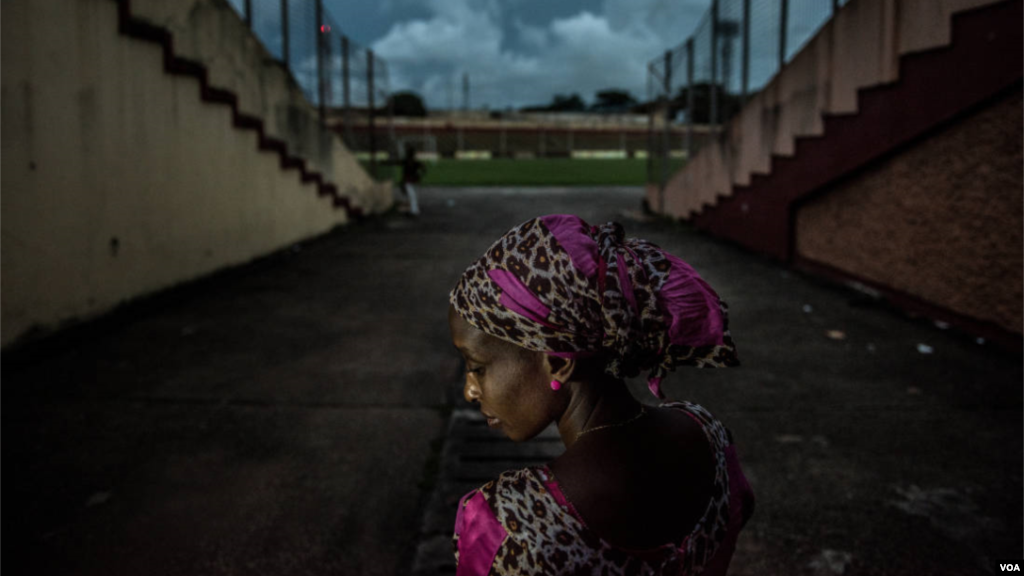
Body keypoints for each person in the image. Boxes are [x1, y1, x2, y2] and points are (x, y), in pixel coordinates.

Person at [447, 214, 754, 575]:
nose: (470, 390)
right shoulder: (710, 437)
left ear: (558, 362)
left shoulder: (512, 525)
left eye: (477, 366)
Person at [398, 143, 425, 216]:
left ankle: (414, 210)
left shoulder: (412, 162)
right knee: (412, 195)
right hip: (410, 181)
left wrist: (419, 174)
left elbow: (423, 168)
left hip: (410, 181)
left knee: (412, 196)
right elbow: (423, 169)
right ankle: (413, 210)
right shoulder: (411, 162)